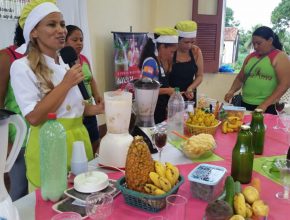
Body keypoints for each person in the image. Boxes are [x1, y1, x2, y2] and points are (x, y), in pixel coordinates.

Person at [10, 0, 104, 189]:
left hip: (78, 140)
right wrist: (67, 83)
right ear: (34, 32)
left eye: (62, 24)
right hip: (50, 144)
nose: (61, 30)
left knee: (82, 198)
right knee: (53, 204)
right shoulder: (21, 67)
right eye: (52, 24)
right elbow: (34, 117)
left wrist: (99, 108)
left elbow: (73, 108)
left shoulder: (64, 64)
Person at [224, 26, 290, 114]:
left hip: (267, 107)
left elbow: (284, 85)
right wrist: (231, 90)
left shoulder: (280, 57)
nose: (255, 47)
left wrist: (264, 105)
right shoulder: (250, 57)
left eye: (259, 43)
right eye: (253, 43)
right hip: (244, 104)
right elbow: (240, 78)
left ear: (270, 40)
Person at [0, 22, 29, 201]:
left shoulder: (46, 58)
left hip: (40, 132)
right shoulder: (6, 57)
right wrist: (6, 142)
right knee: (19, 190)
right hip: (17, 136)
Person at [65, 25, 103, 154]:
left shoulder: (84, 59)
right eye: (74, 40)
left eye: (81, 40)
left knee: (94, 141)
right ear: (65, 41)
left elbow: (91, 79)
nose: (79, 43)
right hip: (74, 112)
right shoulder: (61, 62)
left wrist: (97, 94)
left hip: (89, 109)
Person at [138, 27, 178, 123]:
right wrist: (168, 90)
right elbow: (146, 89)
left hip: (159, 111)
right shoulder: (150, 63)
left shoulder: (159, 61)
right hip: (151, 114)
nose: (171, 55)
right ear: (162, 46)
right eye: (171, 52)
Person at [169, 20, 204, 103]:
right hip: (170, 97)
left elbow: (200, 75)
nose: (189, 45)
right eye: (186, 42)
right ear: (178, 39)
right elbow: (163, 77)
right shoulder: (170, 52)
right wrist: (170, 91)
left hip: (189, 97)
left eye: (192, 42)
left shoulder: (196, 51)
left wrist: (191, 88)